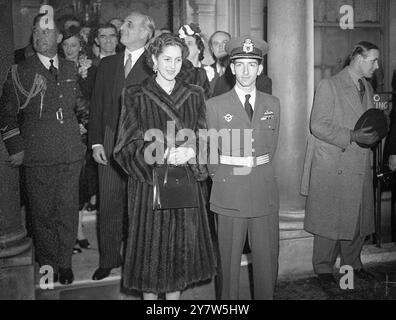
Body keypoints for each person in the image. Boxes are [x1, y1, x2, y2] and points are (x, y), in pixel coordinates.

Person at [113, 33, 217, 300]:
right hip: (150, 189)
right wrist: (160, 155)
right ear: (153, 61)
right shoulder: (135, 95)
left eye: (178, 60)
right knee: (151, 262)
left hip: (185, 185)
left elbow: (205, 138)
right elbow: (125, 147)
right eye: (166, 59)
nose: (173, 66)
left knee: (179, 262)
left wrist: (192, 151)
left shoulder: (195, 94)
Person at [0, 13, 88, 285]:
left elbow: (80, 105)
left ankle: (65, 262)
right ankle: (49, 264)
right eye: (36, 32)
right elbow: (7, 115)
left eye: (46, 32)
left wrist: (85, 128)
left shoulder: (72, 69)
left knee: (67, 210)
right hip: (37, 155)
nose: (39, 37)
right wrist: (16, 148)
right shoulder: (20, 71)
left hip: (70, 154)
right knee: (41, 214)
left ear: (59, 38)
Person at [205, 36, 280, 299]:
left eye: (252, 64)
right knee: (227, 267)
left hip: (263, 193)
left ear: (260, 69)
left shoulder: (273, 104)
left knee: (267, 265)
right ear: (232, 68)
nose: (246, 71)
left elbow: (271, 148)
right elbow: (210, 152)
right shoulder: (214, 106)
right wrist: (225, 176)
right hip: (230, 193)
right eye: (240, 64)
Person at [300, 41, 380, 288]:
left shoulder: (366, 87)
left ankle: (353, 265)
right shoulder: (330, 85)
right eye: (373, 60)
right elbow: (318, 125)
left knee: (356, 218)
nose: (376, 66)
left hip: (358, 162)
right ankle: (323, 269)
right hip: (334, 163)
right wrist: (352, 136)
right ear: (358, 58)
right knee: (329, 220)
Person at [88, 11, 155, 281]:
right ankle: (108, 259)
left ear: (145, 33)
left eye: (129, 25)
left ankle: (136, 260)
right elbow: (96, 106)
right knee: (109, 202)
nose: (122, 28)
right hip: (108, 139)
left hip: (140, 144)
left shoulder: (155, 65)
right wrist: (95, 142)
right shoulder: (107, 64)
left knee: (138, 206)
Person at [61, 26, 98, 252]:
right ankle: (73, 233)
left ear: (81, 46)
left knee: (84, 183)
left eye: (73, 45)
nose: (69, 49)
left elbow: (95, 98)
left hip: (86, 132)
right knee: (68, 185)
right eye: (65, 45)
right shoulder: (56, 68)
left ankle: (79, 229)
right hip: (65, 131)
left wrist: (86, 125)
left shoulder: (91, 68)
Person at [177, 23, 211, 99]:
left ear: (199, 48)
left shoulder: (211, 73)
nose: (185, 47)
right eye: (182, 44)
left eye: (189, 43)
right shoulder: (175, 73)